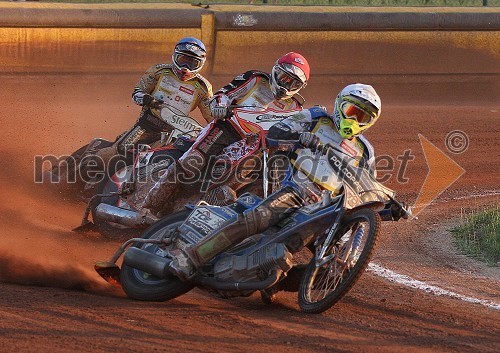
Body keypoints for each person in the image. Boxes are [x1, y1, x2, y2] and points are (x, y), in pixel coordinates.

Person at [166, 83, 386, 280]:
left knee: (333, 263)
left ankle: (276, 282)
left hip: (326, 209)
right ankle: (190, 258)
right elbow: (276, 132)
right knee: (255, 220)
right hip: (296, 189)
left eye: (363, 117)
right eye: (352, 112)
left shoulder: (365, 150)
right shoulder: (317, 118)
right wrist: (299, 137)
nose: (355, 121)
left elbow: (367, 186)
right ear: (340, 105)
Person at [141, 52, 311, 213]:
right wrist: (220, 106)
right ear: (275, 70)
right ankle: (148, 207)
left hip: (257, 146)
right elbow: (224, 94)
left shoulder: (295, 108)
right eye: (284, 78)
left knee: (267, 177)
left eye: (293, 83)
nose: (285, 85)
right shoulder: (256, 79)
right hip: (227, 128)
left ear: (301, 87)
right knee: (192, 162)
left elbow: (295, 130)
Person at [93, 37, 213, 173]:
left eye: (192, 63)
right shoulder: (159, 71)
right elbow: (136, 93)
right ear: (175, 56)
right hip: (146, 125)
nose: (185, 68)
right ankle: (80, 170)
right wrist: (147, 99)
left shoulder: (203, 88)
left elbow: (212, 118)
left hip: (173, 134)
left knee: (161, 161)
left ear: (200, 64)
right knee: (119, 149)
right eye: (182, 60)